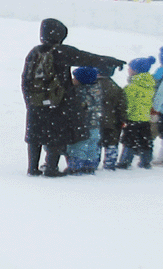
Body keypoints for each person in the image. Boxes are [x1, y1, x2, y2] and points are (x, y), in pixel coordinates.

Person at [20, 18, 123, 177]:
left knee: (35, 136)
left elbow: (25, 78)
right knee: (55, 135)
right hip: (58, 101)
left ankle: (32, 168)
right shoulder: (61, 51)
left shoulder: (35, 52)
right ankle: (51, 168)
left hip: (36, 101)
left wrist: (30, 100)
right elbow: (87, 58)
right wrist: (110, 61)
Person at [118, 57, 158, 170]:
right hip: (145, 118)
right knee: (145, 141)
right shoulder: (150, 85)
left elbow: (127, 104)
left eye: (130, 68)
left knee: (129, 141)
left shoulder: (131, 88)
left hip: (132, 118)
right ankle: (146, 161)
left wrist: (123, 116)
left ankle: (125, 162)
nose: (128, 70)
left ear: (135, 71)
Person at [66, 67, 103, 175]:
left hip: (82, 126)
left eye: (75, 78)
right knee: (92, 146)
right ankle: (90, 166)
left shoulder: (80, 92)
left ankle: (75, 167)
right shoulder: (97, 89)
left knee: (78, 147)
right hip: (95, 124)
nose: (73, 80)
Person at [96, 65, 126, 171]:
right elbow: (122, 106)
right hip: (112, 121)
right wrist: (122, 119)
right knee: (111, 143)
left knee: (96, 143)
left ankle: (93, 163)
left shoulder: (93, 85)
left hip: (96, 120)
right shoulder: (116, 88)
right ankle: (110, 163)